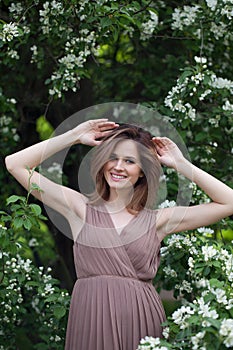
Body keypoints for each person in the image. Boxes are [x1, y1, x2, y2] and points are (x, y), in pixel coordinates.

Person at [5, 119, 233, 350]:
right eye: (113, 157)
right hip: (90, 318)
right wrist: (73, 135)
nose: (118, 167)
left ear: (142, 172)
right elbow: (15, 164)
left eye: (130, 161)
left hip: (142, 318)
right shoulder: (79, 208)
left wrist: (181, 164)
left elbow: (229, 202)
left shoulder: (158, 220)